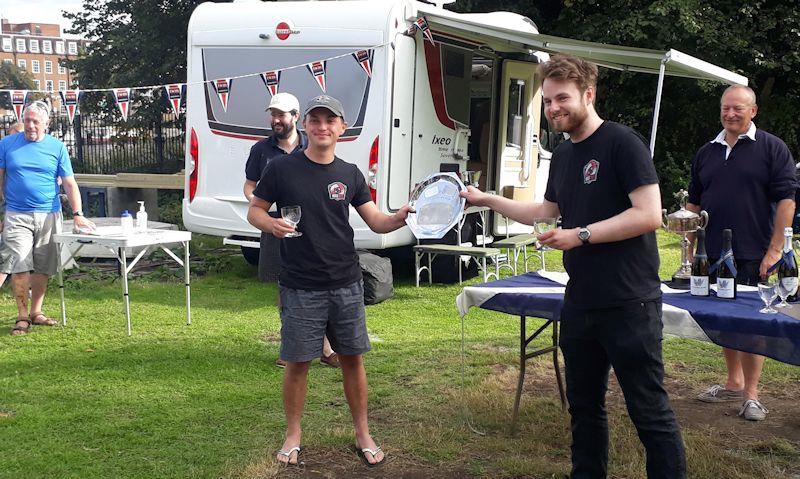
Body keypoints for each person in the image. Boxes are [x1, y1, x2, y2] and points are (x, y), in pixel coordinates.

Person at [461, 54, 686, 478]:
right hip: (580, 303)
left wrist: (580, 234)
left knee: (649, 412)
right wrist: (487, 199)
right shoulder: (563, 155)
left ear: (588, 94)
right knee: (584, 408)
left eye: (561, 98)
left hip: (629, 302)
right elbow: (548, 210)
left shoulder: (623, 143)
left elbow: (649, 214)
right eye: (546, 102)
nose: (553, 109)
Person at [247, 95, 411, 468]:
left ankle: (363, 433)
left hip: (345, 282)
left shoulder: (350, 173)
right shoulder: (281, 169)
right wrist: (270, 223)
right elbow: (254, 211)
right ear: (304, 126)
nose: (322, 127)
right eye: (315, 120)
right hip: (300, 284)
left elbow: (377, 222)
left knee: (352, 360)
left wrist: (400, 217)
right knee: (298, 362)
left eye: (329, 120)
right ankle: (293, 434)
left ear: (341, 127)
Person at [688, 84, 797, 421]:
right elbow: (693, 204)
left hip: (754, 251)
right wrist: (691, 248)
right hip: (713, 254)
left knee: (752, 323)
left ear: (753, 111)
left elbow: (786, 201)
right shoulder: (707, 152)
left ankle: (751, 394)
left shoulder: (772, 148)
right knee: (724, 319)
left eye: (738, 108)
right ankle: (733, 382)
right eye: (725, 108)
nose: (730, 114)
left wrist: (774, 250)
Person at [243, 92, 339, 369]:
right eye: (273, 114)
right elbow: (250, 185)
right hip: (275, 226)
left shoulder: (312, 145)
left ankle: (324, 347)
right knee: (285, 289)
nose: (276, 120)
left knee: (316, 285)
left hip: (311, 230)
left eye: (281, 115)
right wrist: (260, 204)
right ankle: (291, 348)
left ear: (296, 118)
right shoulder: (261, 150)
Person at [0, 101, 94, 336]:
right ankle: (22, 317)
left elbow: (70, 183)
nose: (30, 126)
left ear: (46, 124)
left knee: (43, 266)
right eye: (27, 120)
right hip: (16, 213)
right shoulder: (7, 144)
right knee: (19, 264)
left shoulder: (57, 147)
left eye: (35, 122)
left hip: (49, 214)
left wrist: (78, 214)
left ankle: (36, 312)